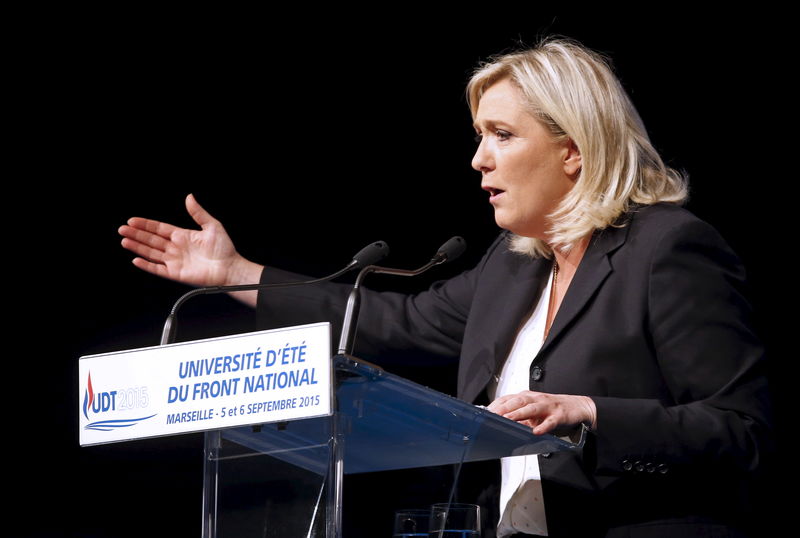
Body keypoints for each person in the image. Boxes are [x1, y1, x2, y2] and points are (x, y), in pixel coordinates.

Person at [119, 37, 772, 537]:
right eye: (479, 136)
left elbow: (741, 431)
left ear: (574, 148)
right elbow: (390, 321)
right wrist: (239, 276)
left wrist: (592, 415)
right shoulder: (511, 266)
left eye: (502, 135)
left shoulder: (667, 250)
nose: (478, 159)